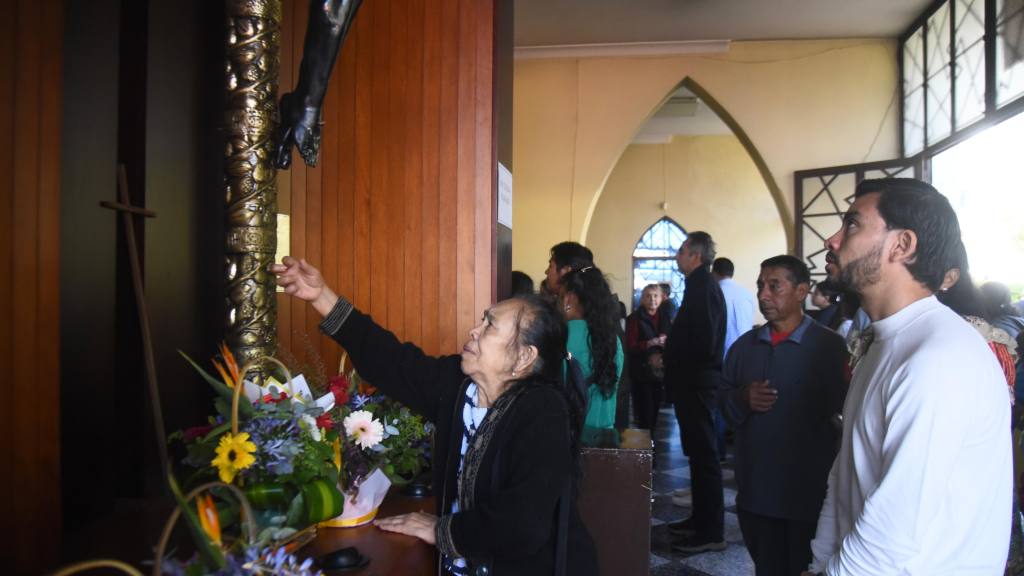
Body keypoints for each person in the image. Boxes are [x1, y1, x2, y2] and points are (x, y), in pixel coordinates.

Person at [271, 256, 598, 575]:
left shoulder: (543, 412)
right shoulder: (458, 385)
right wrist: (321, 295)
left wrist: (444, 531)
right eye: (482, 320)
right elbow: (391, 360)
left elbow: (523, 524)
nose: (474, 330)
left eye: (489, 326)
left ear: (523, 357)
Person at [804, 178, 1011, 576]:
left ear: (902, 245)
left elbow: (892, 532)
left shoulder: (937, 357)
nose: (832, 240)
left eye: (851, 225)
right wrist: (819, 565)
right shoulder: (886, 342)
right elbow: (846, 477)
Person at [721, 255, 848, 576]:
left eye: (774, 286)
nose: (764, 295)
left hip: (808, 493)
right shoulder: (744, 348)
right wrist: (741, 398)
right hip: (756, 491)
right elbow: (720, 403)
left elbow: (849, 413)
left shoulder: (830, 348)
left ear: (801, 290)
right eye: (761, 286)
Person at [664, 231, 728, 554]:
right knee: (699, 455)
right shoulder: (698, 284)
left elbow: (702, 341)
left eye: (681, 251)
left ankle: (710, 531)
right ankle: (699, 519)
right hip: (693, 383)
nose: (677, 256)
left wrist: (674, 357)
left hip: (697, 384)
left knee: (705, 457)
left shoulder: (703, 286)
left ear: (696, 255)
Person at [557, 265, 624, 430]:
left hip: (571, 431)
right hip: (605, 430)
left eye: (559, 296)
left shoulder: (562, 337)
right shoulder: (612, 338)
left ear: (569, 300)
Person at [625, 284, 671, 431]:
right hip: (641, 371)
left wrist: (667, 341)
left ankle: (651, 445)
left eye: (655, 296)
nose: (652, 299)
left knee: (655, 409)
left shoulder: (665, 317)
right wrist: (650, 343)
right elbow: (631, 345)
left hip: (660, 371)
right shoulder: (634, 318)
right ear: (642, 299)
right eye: (648, 296)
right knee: (644, 412)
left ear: (661, 299)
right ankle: (645, 448)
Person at [712, 257, 757, 357]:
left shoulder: (714, 294)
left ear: (713, 272)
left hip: (721, 355)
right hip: (746, 352)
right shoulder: (747, 294)